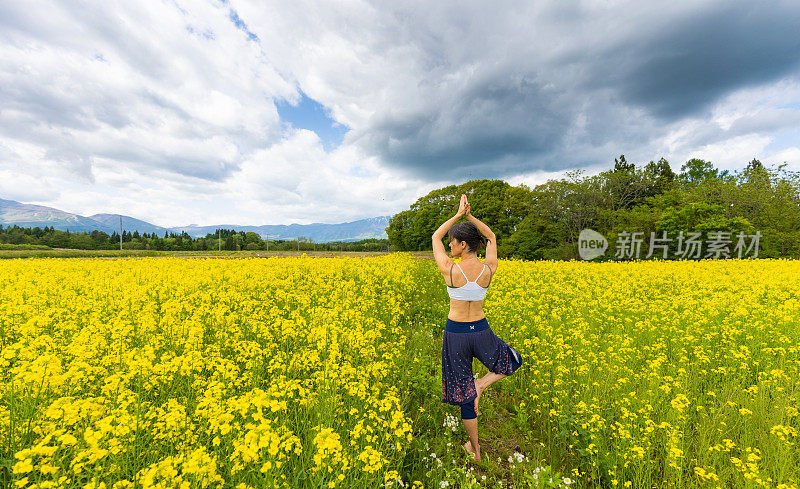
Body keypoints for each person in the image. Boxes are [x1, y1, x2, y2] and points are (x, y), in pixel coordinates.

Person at [431, 193, 524, 462]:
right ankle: (482, 384)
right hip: (481, 330)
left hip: (456, 335)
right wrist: (471, 217)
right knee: (514, 360)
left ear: (462, 244)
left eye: (453, 243)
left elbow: (436, 237)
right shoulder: (489, 269)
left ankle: (476, 450)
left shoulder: (450, 269)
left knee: (464, 395)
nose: (449, 246)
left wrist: (459, 215)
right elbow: (492, 236)